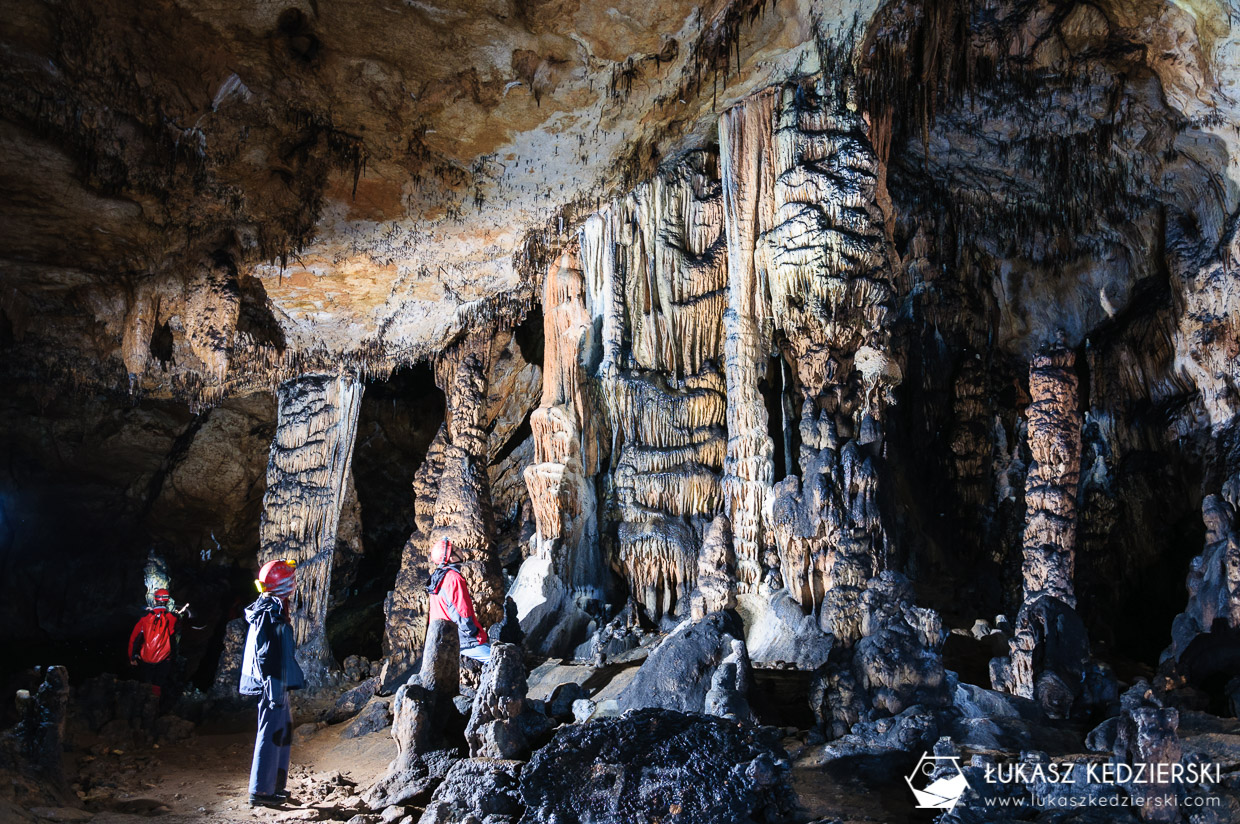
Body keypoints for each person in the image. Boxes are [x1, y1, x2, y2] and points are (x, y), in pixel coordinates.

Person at [239, 559, 305, 809]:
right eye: (291, 579)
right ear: (284, 584)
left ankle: (275, 785)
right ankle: (260, 790)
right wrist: (273, 687)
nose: (295, 584)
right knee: (269, 733)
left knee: (282, 732)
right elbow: (266, 655)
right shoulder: (269, 613)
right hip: (271, 684)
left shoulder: (274, 606)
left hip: (278, 681)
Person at [426, 537, 491, 663]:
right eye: (456, 549)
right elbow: (461, 612)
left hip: (445, 637)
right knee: (499, 661)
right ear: (451, 558)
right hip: (463, 638)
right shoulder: (453, 578)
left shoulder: (436, 577)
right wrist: (473, 632)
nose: (460, 550)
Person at [127, 588, 187, 711]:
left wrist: (132, 656)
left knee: (145, 682)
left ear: (155, 600)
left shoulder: (145, 618)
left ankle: (141, 708)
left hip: (146, 658)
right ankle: (154, 708)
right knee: (158, 684)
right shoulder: (171, 617)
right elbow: (173, 634)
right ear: (166, 601)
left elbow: (134, 639)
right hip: (164, 659)